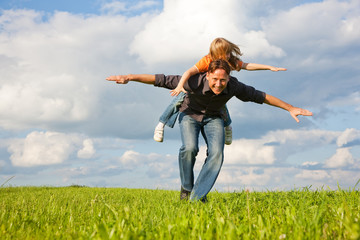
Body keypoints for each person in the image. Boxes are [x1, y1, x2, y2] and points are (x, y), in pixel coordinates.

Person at [106, 59, 312, 202]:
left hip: (214, 118)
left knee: (217, 154)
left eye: (223, 80)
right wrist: (129, 77)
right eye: (215, 79)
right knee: (189, 148)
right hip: (189, 115)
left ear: (229, 78)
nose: (219, 84)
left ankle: (198, 197)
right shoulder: (194, 80)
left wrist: (290, 108)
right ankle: (187, 189)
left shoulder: (234, 86)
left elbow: (261, 96)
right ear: (207, 74)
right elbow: (159, 79)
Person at [153, 37, 287, 144]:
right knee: (179, 98)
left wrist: (269, 67)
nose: (225, 57)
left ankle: (227, 125)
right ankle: (162, 123)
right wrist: (179, 86)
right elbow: (188, 72)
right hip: (195, 87)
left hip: (217, 89)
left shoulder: (231, 60)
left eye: (228, 53)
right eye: (222, 54)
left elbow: (248, 65)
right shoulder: (207, 60)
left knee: (221, 103)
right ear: (214, 54)